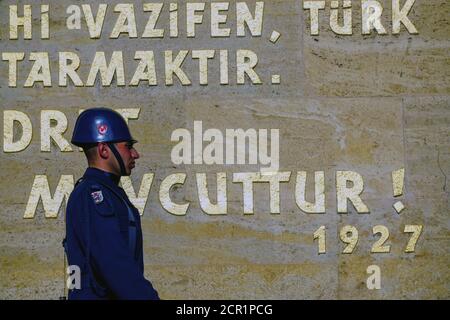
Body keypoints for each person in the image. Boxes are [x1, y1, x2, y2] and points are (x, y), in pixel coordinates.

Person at [64, 107, 160, 300]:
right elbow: (114, 264)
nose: (135, 154)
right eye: (128, 146)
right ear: (104, 150)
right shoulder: (93, 195)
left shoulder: (107, 193)